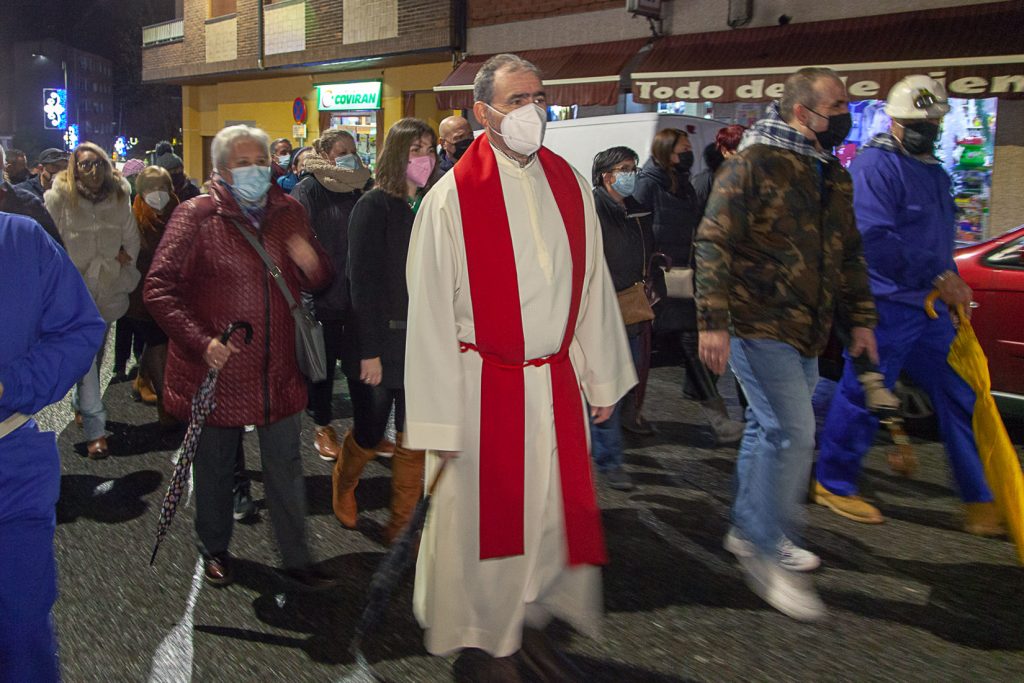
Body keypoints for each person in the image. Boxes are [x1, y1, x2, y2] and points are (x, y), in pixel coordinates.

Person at [405, 53, 636, 681]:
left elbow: (588, 285)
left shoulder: (565, 181)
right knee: (486, 530)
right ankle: (489, 644)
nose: (533, 110)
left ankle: (529, 627)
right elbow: (427, 318)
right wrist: (437, 424)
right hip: (483, 390)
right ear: (483, 113)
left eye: (539, 97)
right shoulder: (451, 199)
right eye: (516, 100)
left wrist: (601, 375)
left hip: (553, 383)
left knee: (548, 519)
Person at [696, 67, 879, 622]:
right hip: (758, 322)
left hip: (807, 328)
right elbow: (713, 240)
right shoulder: (753, 163)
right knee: (793, 433)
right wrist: (713, 321)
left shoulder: (830, 173)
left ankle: (747, 527)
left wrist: (861, 318)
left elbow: (847, 254)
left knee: (767, 429)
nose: (845, 115)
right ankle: (766, 550)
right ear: (804, 112)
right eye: (837, 105)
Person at [145, 124, 334, 589]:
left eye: (261, 161)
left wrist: (313, 263)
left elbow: (318, 277)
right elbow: (158, 289)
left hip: (279, 369)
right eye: (242, 162)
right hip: (220, 368)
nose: (255, 170)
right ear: (221, 170)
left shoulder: (289, 211)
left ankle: (296, 558)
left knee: (286, 467)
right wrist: (200, 341)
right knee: (215, 466)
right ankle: (215, 549)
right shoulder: (197, 217)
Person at [814, 75, 1000, 534]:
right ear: (896, 121)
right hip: (886, 305)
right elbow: (875, 238)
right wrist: (941, 276)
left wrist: (950, 278)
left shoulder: (934, 172)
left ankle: (980, 495)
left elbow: (936, 240)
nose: (929, 129)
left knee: (963, 392)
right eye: (920, 121)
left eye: (934, 121)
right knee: (864, 394)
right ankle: (834, 483)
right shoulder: (876, 166)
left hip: (931, 308)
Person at [0, 212, 106, 683]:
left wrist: (9, 386)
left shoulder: (20, 239)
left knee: (23, 632)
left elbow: (80, 329)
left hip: (11, 466)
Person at [331, 118, 434, 544]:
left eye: (429, 149)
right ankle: (343, 481)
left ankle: (402, 521)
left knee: (416, 433)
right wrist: (368, 350)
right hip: (379, 341)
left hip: (423, 343)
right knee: (372, 429)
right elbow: (362, 283)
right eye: (415, 150)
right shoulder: (373, 206)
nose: (424, 158)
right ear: (397, 155)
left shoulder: (432, 204)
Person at [635, 128, 745, 444]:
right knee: (641, 351)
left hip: (683, 280)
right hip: (655, 282)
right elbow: (638, 228)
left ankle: (718, 418)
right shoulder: (648, 184)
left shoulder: (683, 185)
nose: (689, 152)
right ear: (667, 150)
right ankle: (623, 414)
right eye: (683, 147)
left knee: (691, 345)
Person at [46, 142, 140, 459]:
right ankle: (95, 430)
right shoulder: (59, 198)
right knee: (86, 359)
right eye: (85, 165)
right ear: (75, 168)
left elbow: (131, 236)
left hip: (109, 285)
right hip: (74, 289)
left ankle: (80, 403)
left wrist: (125, 259)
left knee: (96, 354)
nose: (93, 170)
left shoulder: (118, 196)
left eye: (98, 163)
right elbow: (49, 241)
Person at [291, 128, 372, 460]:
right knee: (320, 371)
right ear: (324, 154)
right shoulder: (307, 190)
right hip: (321, 296)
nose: (350, 155)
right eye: (342, 151)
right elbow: (295, 244)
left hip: (356, 297)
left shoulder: (361, 187)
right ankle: (322, 427)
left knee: (360, 369)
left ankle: (366, 431)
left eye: (353, 150)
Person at [589, 146, 654, 492]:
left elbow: (647, 247)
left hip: (630, 304)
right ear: (606, 175)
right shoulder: (593, 207)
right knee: (605, 384)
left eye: (634, 167)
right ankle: (609, 459)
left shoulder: (633, 209)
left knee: (624, 379)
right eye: (625, 168)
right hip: (601, 308)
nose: (632, 174)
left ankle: (601, 447)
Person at [126, 165, 180, 426]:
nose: (157, 194)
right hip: (141, 295)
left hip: (173, 292)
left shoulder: (180, 212)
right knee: (158, 344)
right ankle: (164, 402)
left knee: (163, 344)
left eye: (162, 188)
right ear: (140, 191)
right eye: (150, 188)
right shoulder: (132, 217)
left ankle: (142, 379)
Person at [0, 144, 63, 248]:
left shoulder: (27, 203)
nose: (61, 172)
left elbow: (52, 245)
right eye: (56, 167)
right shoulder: (26, 194)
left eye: (65, 168)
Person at [692, 125, 745, 215]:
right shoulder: (706, 180)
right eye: (742, 149)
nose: (748, 154)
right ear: (725, 151)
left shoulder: (749, 178)